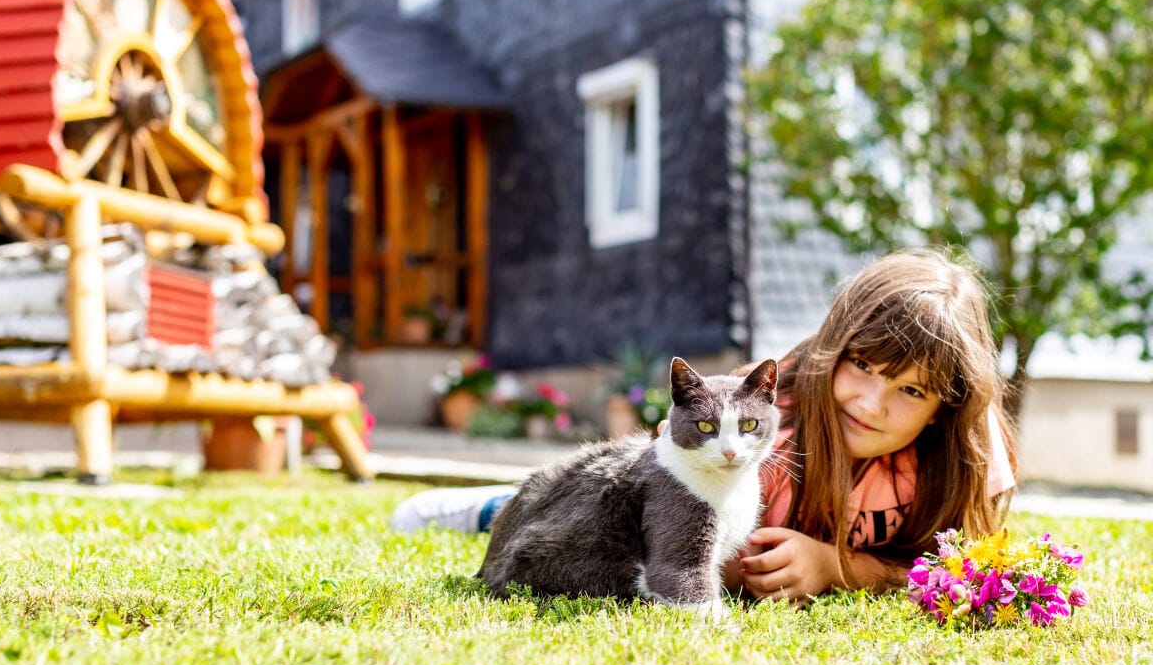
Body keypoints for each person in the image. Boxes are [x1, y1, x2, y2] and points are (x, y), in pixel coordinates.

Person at [390, 247, 1017, 601]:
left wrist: (837, 566)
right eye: (862, 365)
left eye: (910, 390)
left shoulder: (964, 451)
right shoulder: (779, 413)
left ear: (948, 405)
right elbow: (662, 500)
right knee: (591, 508)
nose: (874, 403)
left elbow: (963, 573)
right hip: (640, 509)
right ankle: (491, 508)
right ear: (834, 346)